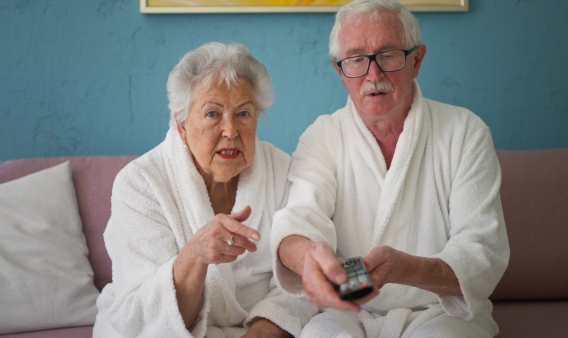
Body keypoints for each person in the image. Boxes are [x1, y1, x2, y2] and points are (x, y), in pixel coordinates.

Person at [270, 0, 510, 337]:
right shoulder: (322, 136)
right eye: (356, 59)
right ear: (340, 72)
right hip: (347, 310)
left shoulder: (465, 132)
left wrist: (405, 269)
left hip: (444, 311)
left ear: (416, 60)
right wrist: (309, 257)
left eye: (388, 55)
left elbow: (481, 253)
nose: (373, 74)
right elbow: (298, 218)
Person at [93, 42, 316, 338]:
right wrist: (194, 256)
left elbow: (299, 284)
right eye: (213, 114)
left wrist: (264, 331)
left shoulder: (280, 169)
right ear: (182, 126)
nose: (231, 130)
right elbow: (143, 317)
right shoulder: (140, 183)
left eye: (244, 114)